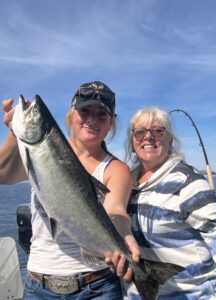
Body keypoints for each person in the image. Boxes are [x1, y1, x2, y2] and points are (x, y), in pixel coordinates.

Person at [0, 81, 140, 300]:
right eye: (85, 111)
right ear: (71, 115)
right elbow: (2, 174)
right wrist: (14, 132)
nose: (92, 120)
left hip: (97, 285)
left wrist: (124, 236)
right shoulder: (42, 150)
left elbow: (116, 210)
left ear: (111, 123)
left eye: (101, 114)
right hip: (38, 285)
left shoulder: (117, 169)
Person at [109, 107, 216, 299]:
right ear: (132, 142)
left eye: (157, 130)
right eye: (140, 132)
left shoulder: (187, 181)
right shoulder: (126, 182)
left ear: (169, 141)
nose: (148, 137)